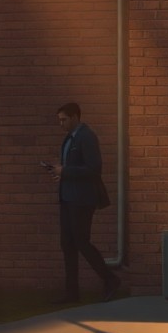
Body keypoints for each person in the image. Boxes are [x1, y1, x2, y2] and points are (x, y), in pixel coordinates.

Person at [48, 103, 119, 304]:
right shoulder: (69, 139)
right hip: (67, 197)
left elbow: (94, 168)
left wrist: (66, 172)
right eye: (59, 120)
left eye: (64, 119)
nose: (61, 124)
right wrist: (60, 173)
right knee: (67, 244)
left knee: (81, 241)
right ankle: (72, 293)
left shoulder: (86, 137)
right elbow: (71, 167)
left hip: (81, 199)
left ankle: (110, 279)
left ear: (74, 117)